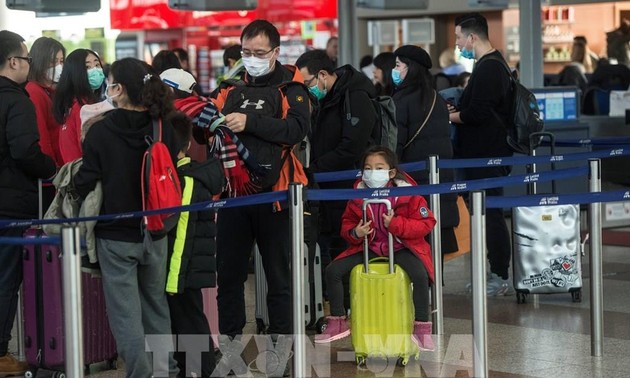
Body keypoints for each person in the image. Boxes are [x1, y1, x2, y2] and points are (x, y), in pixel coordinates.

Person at [210, 19, 310, 377]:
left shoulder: (291, 88)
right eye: (245, 52)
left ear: (276, 52)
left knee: (279, 279)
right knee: (230, 277)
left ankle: (282, 352)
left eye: (259, 53)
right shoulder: (229, 88)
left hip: (276, 197)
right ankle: (231, 351)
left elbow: (297, 129)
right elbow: (208, 126)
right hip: (234, 197)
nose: (251, 59)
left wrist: (247, 122)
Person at [73, 58, 179, 377]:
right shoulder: (164, 126)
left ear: (118, 89)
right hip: (157, 230)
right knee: (156, 307)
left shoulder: (100, 131)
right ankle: (166, 371)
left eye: (110, 82)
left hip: (115, 235)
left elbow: (86, 180)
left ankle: (139, 373)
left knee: (126, 315)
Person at [314, 146, 436, 351]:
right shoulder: (357, 195)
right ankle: (338, 320)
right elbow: (347, 224)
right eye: (368, 168)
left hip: (400, 247)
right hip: (370, 246)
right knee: (333, 270)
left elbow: (426, 223)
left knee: (420, 274)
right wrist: (355, 233)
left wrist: (396, 224)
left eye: (379, 167)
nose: (372, 172)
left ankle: (421, 328)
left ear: (391, 172)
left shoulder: (409, 193)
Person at [0, 30, 57, 376]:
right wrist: (50, 168)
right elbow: (24, 151)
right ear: (13, 61)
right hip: (12, 203)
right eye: (27, 58)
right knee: (6, 280)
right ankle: (0, 353)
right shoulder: (17, 100)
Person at [448, 13, 515, 296]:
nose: (457, 43)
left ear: (472, 37)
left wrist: (451, 117)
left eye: (459, 37)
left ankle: (499, 274)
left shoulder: (489, 68)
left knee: (492, 214)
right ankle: (494, 272)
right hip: (485, 152)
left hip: (487, 155)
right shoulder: (491, 65)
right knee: (486, 213)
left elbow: (478, 113)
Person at [295, 49, 377, 267]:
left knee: (347, 247)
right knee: (331, 243)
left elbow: (352, 147)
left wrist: (314, 169)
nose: (305, 89)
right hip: (327, 186)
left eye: (307, 82)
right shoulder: (327, 99)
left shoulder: (355, 96)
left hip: (348, 186)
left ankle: (348, 298)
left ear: (322, 74)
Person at [166, 112, 224, 378]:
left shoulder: (187, 180)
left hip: (182, 270)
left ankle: (206, 371)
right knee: (184, 321)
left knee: (190, 321)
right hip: (183, 269)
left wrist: (172, 278)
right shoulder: (182, 176)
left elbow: (184, 232)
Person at [391, 45, 460, 258]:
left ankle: (421, 289)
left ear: (410, 68)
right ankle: (435, 287)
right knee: (435, 242)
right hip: (439, 179)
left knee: (414, 245)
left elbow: (396, 143)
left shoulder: (401, 101)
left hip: (413, 181)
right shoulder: (436, 98)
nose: (394, 71)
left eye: (398, 65)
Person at [52, 48, 105, 164]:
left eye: (97, 64)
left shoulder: (71, 103)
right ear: (75, 73)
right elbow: (91, 149)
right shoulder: (85, 107)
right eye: (87, 67)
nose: (95, 70)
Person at [26, 36, 65, 168]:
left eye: (61, 61)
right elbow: (42, 136)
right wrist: (52, 169)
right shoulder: (34, 91)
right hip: (52, 172)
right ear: (40, 61)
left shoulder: (50, 91)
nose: (59, 67)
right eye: (53, 62)